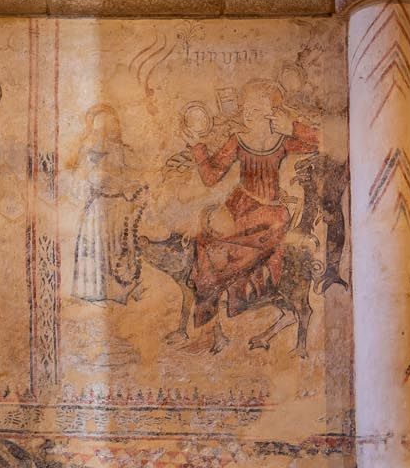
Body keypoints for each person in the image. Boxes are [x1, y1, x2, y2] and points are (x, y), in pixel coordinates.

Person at [177, 80, 319, 350]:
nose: (248, 114)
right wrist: (197, 147)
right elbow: (210, 177)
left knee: (225, 246)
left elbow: (322, 142)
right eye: (246, 108)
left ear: (272, 113)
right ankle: (210, 331)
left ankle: (238, 299)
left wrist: (292, 127)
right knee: (204, 243)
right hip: (239, 207)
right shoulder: (237, 140)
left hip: (269, 214)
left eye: (257, 108)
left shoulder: (282, 141)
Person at [67, 105, 147, 305]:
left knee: (120, 248)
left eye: (109, 129)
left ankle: (121, 291)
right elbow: (76, 182)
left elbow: (138, 178)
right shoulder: (87, 151)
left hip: (120, 209)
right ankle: (93, 292)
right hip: (96, 210)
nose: (104, 135)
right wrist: (91, 177)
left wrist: (124, 186)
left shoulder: (124, 151)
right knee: (96, 249)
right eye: (98, 130)